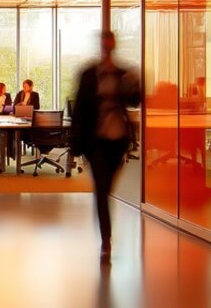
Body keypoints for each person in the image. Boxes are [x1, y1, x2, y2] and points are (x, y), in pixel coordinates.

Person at [70, 31, 141, 262]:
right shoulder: (89, 74)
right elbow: (80, 109)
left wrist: (135, 83)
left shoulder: (123, 74)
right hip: (96, 140)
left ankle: (105, 233)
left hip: (118, 140)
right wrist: (76, 144)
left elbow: (135, 101)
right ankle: (106, 241)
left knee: (106, 188)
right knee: (101, 190)